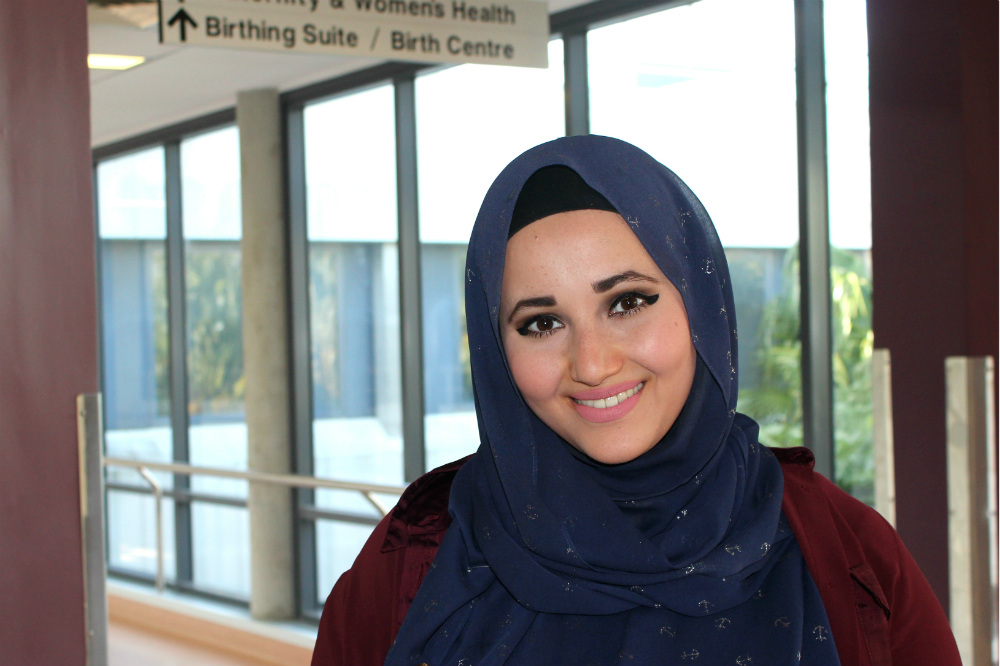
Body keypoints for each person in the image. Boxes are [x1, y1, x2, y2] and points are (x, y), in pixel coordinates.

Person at [312, 135, 960, 665]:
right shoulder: (415, 559)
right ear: (493, 347)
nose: (592, 365)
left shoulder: (847, 555)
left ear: (698, 304)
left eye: (627, 303)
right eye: (541, 323)